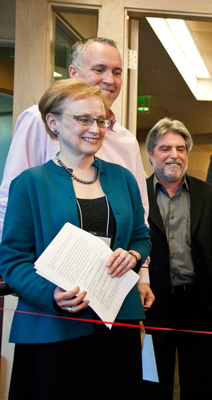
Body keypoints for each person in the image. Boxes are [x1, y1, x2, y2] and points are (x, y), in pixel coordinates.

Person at [0, 79, 151, 399]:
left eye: (101, 120)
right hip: (51, 328)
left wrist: (134, 257)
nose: (95, 128)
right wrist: (52, 293)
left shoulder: (122, 177)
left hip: (115, 326)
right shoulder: (30, 184)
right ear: (52, 122)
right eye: (83, 119)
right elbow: (13, 259)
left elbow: (141, 236)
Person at [0, 37, 152, 297]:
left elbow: (140, 218)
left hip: (112, 289)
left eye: (117, 72)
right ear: (73, 73)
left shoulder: (126, 141)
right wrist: (20, 279)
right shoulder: (38, 120)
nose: (110, 80)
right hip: (50, 285)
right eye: (99, 69)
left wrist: (142, 275)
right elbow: (10, 202)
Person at [143, 118, 212, 399]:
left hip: (201, 304)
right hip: (151, 305)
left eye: (181, 148)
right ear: (150, 154)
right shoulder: (135, 193)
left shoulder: (210, 194)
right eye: (165, 148)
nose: (174, 155)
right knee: (152, 380)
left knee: (202, 382)